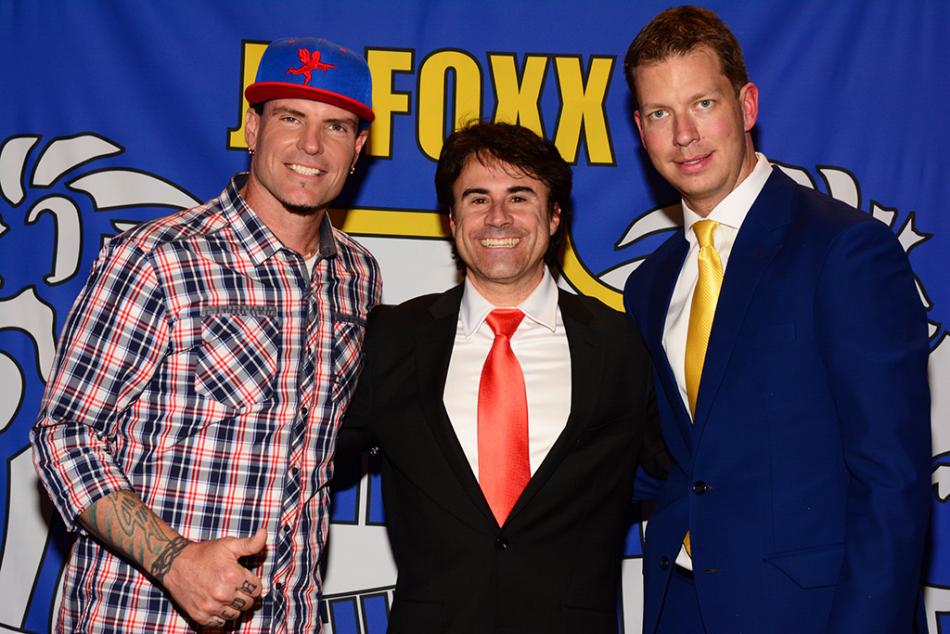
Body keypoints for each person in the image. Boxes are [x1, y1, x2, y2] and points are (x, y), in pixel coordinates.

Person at [31, 36, 380, 632]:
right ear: (252, 128)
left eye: (336, 126)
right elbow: (64, 436)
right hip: (141, 617)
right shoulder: (158, 257)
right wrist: (174, 560)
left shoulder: (357, 276)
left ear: (359, 148)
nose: (311, 145)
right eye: (290, 117)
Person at [621, 7, 931, 633]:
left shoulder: (844, 249)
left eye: (703, 103)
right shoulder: (651, 283)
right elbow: (669, 459)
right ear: (640, 129)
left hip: (807, 613)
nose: (684, 135)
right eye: (659, 113)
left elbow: (891, 478)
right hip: (679, 606)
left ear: (747, 105)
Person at [339, 121, 669, 634]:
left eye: (520, 196)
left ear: (554, 216)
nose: (498, 217)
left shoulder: (623, 344)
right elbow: (309, 457)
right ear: (452, 220)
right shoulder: (391, 338)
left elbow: (680, 474)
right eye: (477, 199)